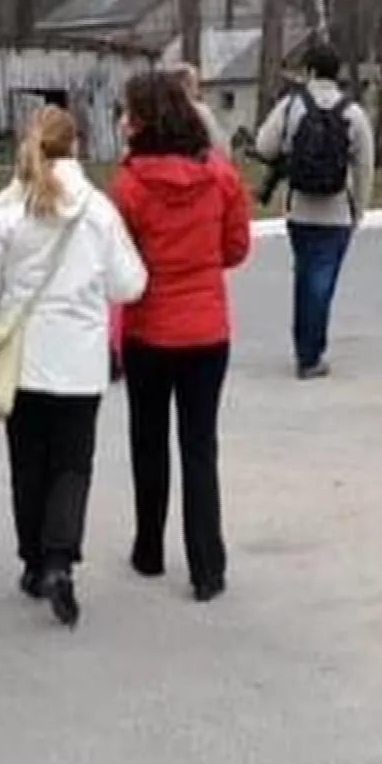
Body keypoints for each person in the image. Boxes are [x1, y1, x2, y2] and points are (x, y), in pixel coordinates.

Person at [0, 106, 146, 627]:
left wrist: (3, 314)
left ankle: (31, 560)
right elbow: (129, 284)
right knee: (72, 463)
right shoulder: (98, 211)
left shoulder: (3, 211)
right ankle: (60, 559)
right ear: (77, 146)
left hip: (22, 358)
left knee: (28, 462)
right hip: (80, 359)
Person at [109, 70, 252, 604]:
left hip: (149, 328)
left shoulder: (127, 186)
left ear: (143, 119)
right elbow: (236, 248)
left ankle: (149, 547)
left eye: (128, 112)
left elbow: (118, 262)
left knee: (148, 440)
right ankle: (207, 565)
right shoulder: (220, 176)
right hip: (207, 330)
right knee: (199, 446)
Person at [253, 44, 376, 380]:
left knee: (306, 277)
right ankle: (310, 354)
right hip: (337, 212)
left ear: (308, 72)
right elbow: (365, 167)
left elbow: (264, 145)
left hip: (299, 210)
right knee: (323, 282)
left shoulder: (291, 105)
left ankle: (305, 348)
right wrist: (359, 210)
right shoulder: (353, 113)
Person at [172, 62, 233, 158]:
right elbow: (218, 145)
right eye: (196, 84)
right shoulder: (199, 111)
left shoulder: (157, 112)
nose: (197, 90)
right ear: (186, 84)